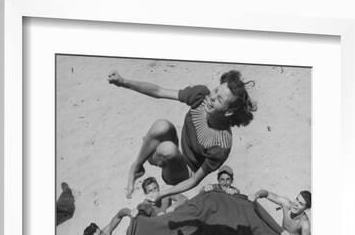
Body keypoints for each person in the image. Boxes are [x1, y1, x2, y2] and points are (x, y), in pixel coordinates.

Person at [108, 69, 256, 199]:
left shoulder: (221, 145)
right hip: (179, 148)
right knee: (162, 125)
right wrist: (123, 82)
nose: (212, 97)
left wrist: (163, 194)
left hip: (184, 173)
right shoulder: (201, 96)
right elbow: (159, 91)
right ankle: (137, 168)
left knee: (167, 149)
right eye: (216, 90)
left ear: (229, 111)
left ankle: (156, 156)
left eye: (219, 99)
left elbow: (194, 181)